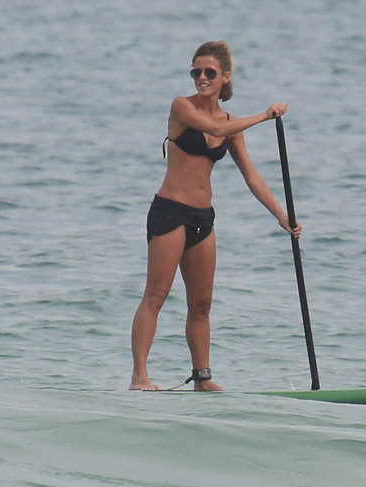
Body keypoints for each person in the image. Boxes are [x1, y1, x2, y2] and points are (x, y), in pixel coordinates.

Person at [129, 41, 301, 391]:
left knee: (202, 303)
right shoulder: (181, 107)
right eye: (196, 72)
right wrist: (266, 115)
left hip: (203, 219)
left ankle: (202, 378)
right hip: (170, 213)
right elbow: (218, 132)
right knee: (156, 295)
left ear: (225, 77)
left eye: (209, 72)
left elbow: (252, 176)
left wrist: (282, 216)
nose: (201, 78)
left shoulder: (230, 121)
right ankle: (140, 377)